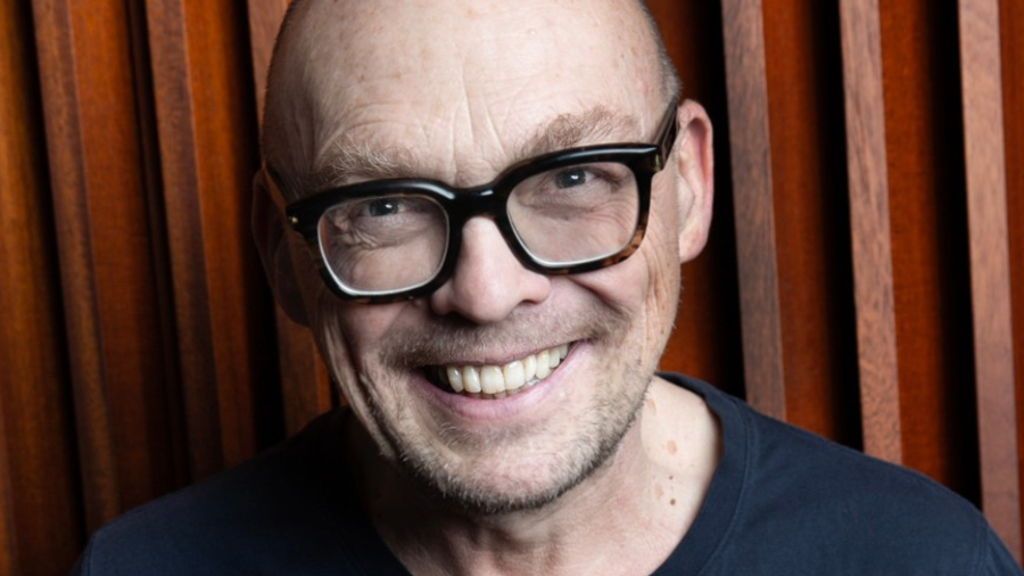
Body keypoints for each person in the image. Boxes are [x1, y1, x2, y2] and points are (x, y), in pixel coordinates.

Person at [72, 1, 1021, 574]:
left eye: (571, 178)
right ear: (281, 255)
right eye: (386, 204)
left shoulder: (918, 562)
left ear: (688, 189)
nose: (486, 292)